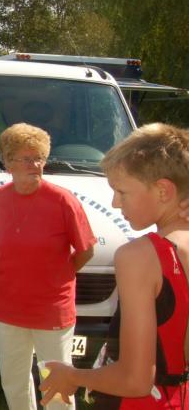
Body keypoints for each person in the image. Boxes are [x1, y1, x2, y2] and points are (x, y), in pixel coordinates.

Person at [41, 123, 189, 409]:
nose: (114, 203)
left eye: (122, 192)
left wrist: (71, 375)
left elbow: (135, 379)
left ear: (163, 190)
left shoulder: (140, 256)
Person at [0, 123, 96, 410]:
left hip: (52, 309)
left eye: (40, 158)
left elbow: (86, 250)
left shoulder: (63, 200)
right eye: (27, 159)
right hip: (8, 308)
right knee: (14, 383)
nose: (36, 165)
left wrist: (59, 276)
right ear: (8, 163)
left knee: (57, 388)